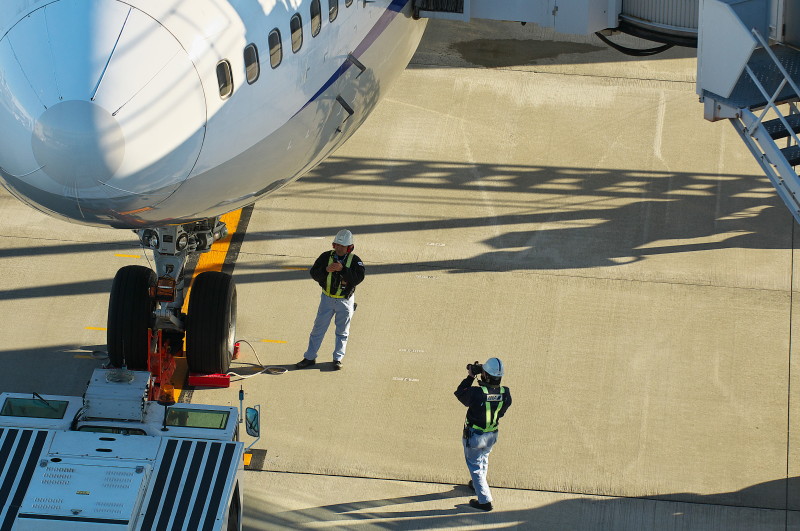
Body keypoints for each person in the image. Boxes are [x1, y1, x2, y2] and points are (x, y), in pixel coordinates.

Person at [295, 229, 365, 370]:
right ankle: (309, 357)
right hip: (326, 299)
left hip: (344, 301)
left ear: (349, 248)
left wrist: (343, 270)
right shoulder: (325, 257)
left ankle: (337, 359)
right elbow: (314, 273)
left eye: (342, 246)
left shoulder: (356, 261)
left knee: (342, 332)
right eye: (336, 245)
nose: (338, 248)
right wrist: (326, 270)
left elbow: (358, 279)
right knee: (318, 329)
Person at [454, 357, 512, 511]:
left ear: (485, 375)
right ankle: (477, 484)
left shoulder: (476, 393)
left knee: (475, 466)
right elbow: (501, 412)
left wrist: (471, 376)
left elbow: (460, 393)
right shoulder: (506, 393)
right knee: (483, 458)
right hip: (492, 434)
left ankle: (484, 500)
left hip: (474, 435)